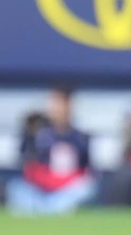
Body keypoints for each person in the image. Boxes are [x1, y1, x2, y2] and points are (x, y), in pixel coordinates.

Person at [6, 85, 98, 216]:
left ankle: (49, 210)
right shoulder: (38, 134)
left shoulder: (81, 138)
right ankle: (50, 210)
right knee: (16, 189)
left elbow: (87, 174)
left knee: (88, 190)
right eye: (55, 103)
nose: (59, 109)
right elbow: (28, 167)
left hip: (67, 191)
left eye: (63, 104)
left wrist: (64, 182)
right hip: (41, 190)